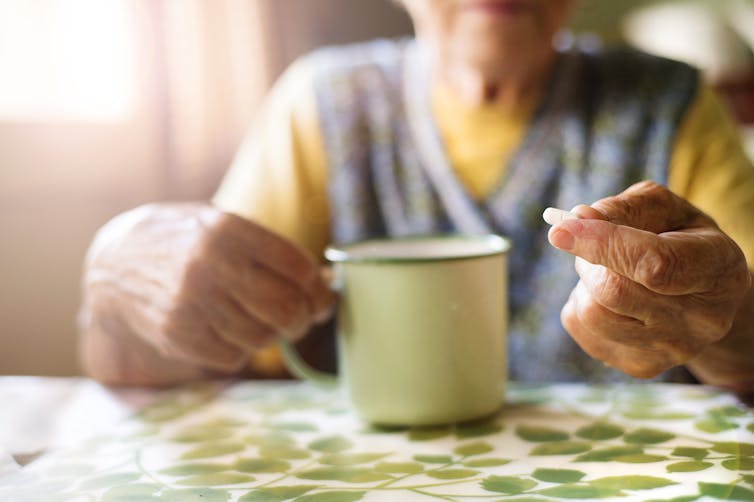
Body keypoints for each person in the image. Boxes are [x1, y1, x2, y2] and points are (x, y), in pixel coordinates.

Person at [78, 0, 754, 394]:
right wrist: (115, 295)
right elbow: (173, 356)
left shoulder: (673, 105)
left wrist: (728, 321)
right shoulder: (321, 106)